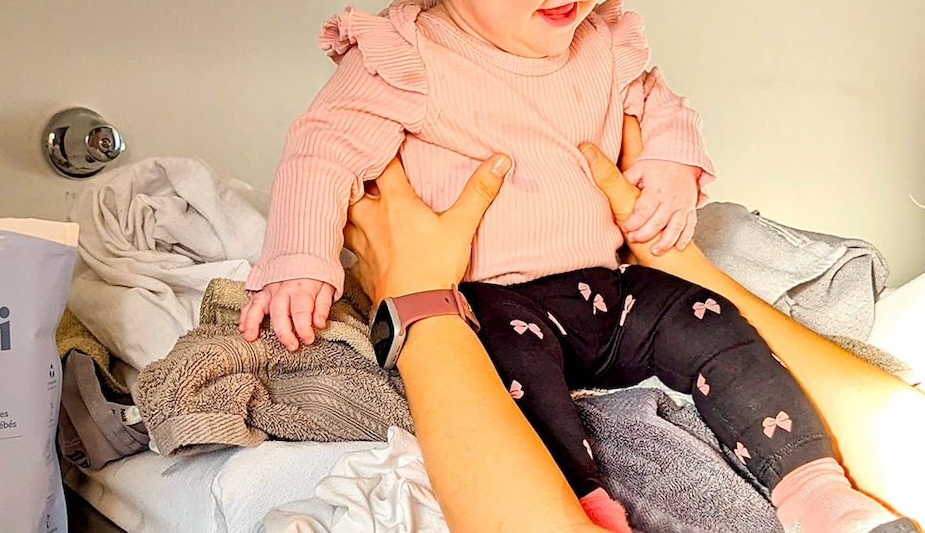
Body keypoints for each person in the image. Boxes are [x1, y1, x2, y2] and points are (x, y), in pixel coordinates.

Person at [238, 0, 910, 531]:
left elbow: (665, 111)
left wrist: (670, 173)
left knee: (715, 323)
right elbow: (322, 147)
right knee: (512, 370)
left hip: (609, 291)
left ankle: (815, 490)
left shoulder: (604, 44)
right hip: (490, 300)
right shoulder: (406, 55)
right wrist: (298, 260)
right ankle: (584, 499)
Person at [340, 120, 924, 532]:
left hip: (558, 293)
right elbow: (906, 448)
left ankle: (597, 498)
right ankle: (813, 496)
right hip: (536, 291)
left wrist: (415, 306)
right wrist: (674, 255)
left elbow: (666, 113)